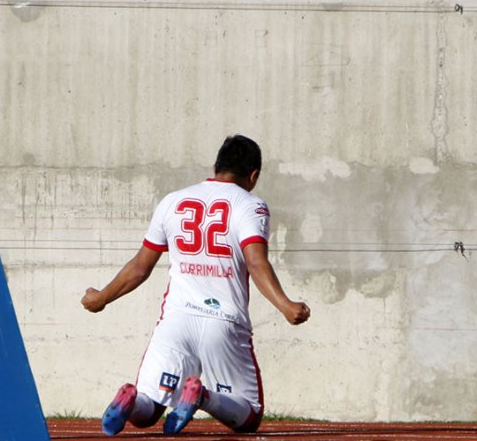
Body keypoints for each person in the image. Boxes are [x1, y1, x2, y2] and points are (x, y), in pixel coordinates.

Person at [81, 135, 311, 436]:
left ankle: (131, 400)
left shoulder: (173, 201)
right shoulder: (251, 205)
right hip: (224, 323)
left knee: (148, 409)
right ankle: (202, 396)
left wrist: (101, 298)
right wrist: (285, 305)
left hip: (176, 321)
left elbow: (140, 268)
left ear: (217, 166)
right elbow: (255, 262)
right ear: (253, 175)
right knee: (250, 415)